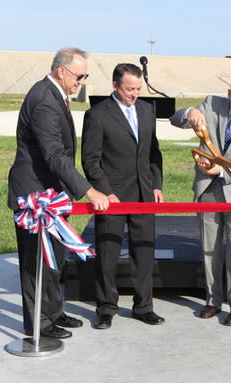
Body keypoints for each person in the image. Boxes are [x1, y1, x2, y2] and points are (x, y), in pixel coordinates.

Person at [7, 47, 110, 339]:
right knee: (36, 263)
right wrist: (89, 191)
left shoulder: (55, 95)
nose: (82, 81)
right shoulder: (44, 101)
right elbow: (54, 155)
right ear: (61, 71)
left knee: (54, 258)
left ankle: (53, 312)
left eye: (85, 76)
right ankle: (38, 324)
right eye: (79, 76)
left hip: (52, 194)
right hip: (34, 198)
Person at [169, 75, 231, 326]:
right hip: (208, 192)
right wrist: (190, 111)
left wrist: (221, 171)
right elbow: (176, 119)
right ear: (229, 94)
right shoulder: (210, 105)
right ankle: (212, 300)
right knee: (209, 249)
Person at [82, 63, 164, 330]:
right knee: (107, 253)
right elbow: (91, 161)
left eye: (138, 89)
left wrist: (156, 184)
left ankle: (144, 307)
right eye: (130, 89)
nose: (135, 94)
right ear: (115, 86)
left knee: (144, 252)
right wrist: (105, 191)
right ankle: (106, 307)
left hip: (144, 194)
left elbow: (154, 153)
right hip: (112, 197)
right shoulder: (97, 115)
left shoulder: (146, 110)